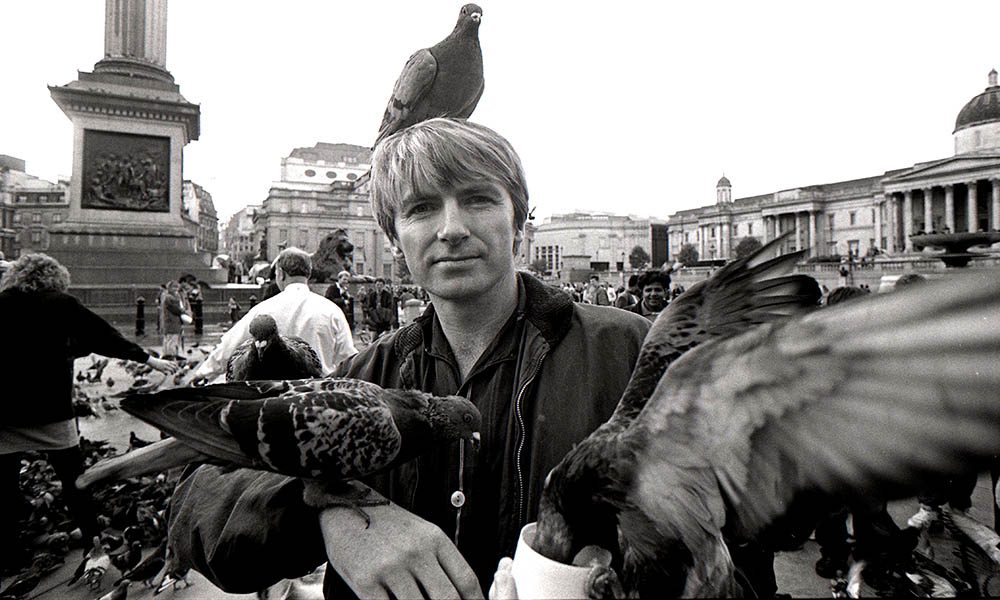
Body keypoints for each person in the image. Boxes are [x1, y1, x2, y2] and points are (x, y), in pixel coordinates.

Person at [166, 118, 651, 599]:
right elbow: (195, 499)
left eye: (478, 199)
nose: (452, 229)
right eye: (421, 208)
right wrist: (325, 515)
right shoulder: (364, 377)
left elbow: (723, 536)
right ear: (395, 240)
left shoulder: (630, 353)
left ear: (519, 223)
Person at [0, 253, 178, 573]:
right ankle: (93, 544)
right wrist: (149, 361)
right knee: (75, 481)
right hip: (49, 409)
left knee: (4, 487)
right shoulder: (61, 304)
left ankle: (10, 556)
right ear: (55, 278)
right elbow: (103, 337)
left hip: (3, 413)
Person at [189, 247, 357, 383]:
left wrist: (204, 373)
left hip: (273, 398)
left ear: (281, 273)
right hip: (315, 398)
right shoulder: (331, 310)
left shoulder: (263, 310)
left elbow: (230, 346)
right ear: (308, 274)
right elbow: (349, 358)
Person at [161, 280, 191, 360]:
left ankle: (169, 354)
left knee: (170, 338)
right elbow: (176, 309)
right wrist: (184, 312)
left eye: (177, 287)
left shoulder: (169, 296)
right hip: (172, 322)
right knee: (172, 338)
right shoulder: (170, 298)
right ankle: (171, 355)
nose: (176, 289)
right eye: (174, 287)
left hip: (171, 322)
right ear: (169, 288)